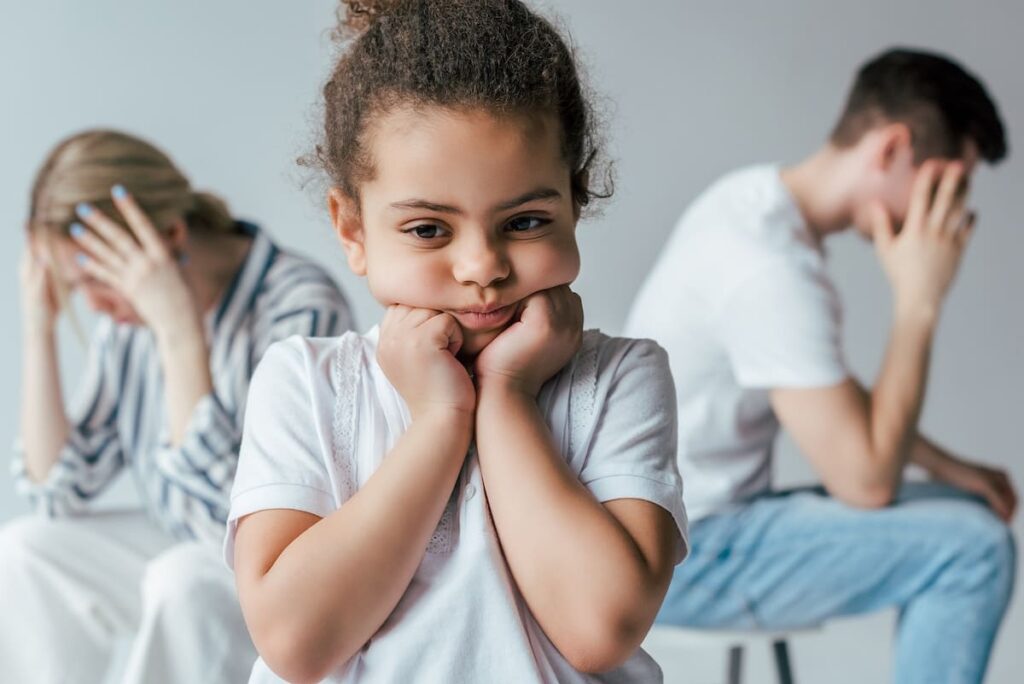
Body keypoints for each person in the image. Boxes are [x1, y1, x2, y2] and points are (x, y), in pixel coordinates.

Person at [226, 1, 689, 682]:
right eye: (427, 230)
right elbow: (298, 643)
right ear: (351, 229)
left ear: (576, 199)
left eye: (526, 220)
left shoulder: (620, 378)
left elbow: (600, 628)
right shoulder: (305, 383)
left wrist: (507, 394)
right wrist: (441, 420)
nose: (483, 267)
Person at [625, 48, 1017, 683]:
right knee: (974, 552)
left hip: (689, 528)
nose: (953, 216)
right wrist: (919, 300)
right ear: (892, 149)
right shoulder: (769, 267)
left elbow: (822, 391)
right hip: (683, 558)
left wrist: (952, 467)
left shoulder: (751, 204)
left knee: (966, 512)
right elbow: (865, 482)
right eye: (948, 185)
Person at [0, 129, 355, 684]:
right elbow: (57, 491)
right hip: (181, 544)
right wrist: (38, 328)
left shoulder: (299, 307)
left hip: (273, 571)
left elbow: (229, 524)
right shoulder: (125, 322)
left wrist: (179, 334)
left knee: (181, 576)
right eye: (77, 287)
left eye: (96, 279)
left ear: (168, 235)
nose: (92, 304)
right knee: (21, 549)